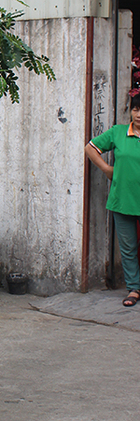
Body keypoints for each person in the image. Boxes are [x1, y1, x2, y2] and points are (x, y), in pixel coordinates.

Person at [85, 91, 140, 307]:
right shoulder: (118, 133)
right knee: (127, 248)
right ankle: (134, 288)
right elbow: (90, 148)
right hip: (122, 200)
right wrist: (107, 169)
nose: (138, 114)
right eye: (136, 109)